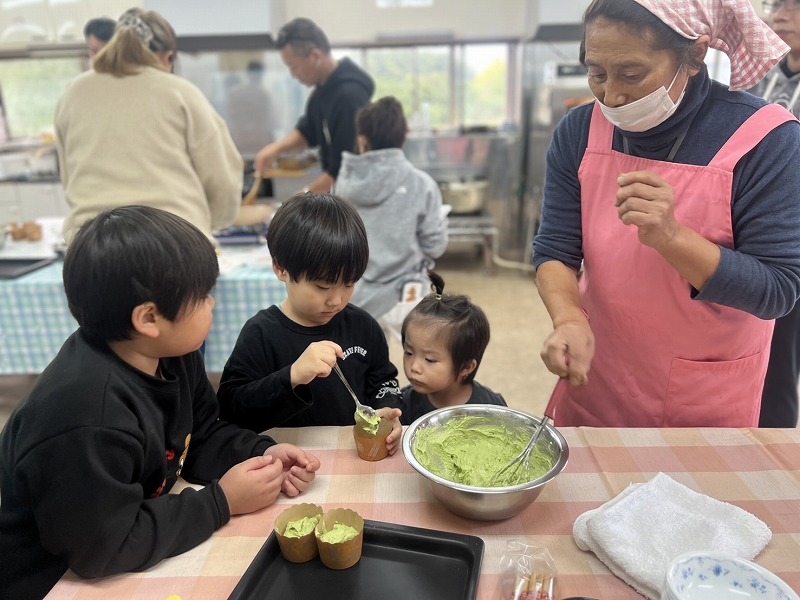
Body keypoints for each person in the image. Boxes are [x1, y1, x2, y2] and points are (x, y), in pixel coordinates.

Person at [0, 206, 320, 600]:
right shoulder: (86, 415)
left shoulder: (172, 352)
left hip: (120, 529)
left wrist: (261, 455)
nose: (212, 306)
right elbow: (106, 546)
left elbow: (199, 433)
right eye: (203, 297)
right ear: (149, 318)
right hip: (52, 577)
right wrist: (220, 502)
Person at [532, 0, 800, 428]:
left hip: (704, 398)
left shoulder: (766, 139)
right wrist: (568, 319)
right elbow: (554, 250)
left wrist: (673, 238)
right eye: (597, 73)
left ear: (695, 55)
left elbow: (778, 290)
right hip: (599, 377)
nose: (612, 95)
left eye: (632, 74)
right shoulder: (580, 130)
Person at [216, 193, 403, 451]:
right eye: (322, 286)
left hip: (354, 454)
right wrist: (292, 376)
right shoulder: (261, 333)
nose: (336, 300)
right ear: (281, 269)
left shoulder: (363, 325)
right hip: (286, 459)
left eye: (349, 284)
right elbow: (231, 409)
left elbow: (384, 380)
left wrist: (390, 408)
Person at [56, 8, 243, 244]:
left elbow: (67, 174)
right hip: (173, 242)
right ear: (167, 58)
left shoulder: (74, 93)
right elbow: (223, 176)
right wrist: (213, 222)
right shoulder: (180, 92)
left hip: (91, 244)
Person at [334, 96, 448, 340]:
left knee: (363, 368)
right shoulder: (422, 184)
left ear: (362, 140)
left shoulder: (343, 184)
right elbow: (435, 247)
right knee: (420, 368)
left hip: (355, 297)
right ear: (403, 136)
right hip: (408, 299)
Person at [746, 0, 800, 428]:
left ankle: (776, 457)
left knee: (781, 361)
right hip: (754, 235)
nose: (781, 15)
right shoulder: (764, 77)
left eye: (795, 6)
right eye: (777, 4)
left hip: (789, 243)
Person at [253, 17, 374, 193]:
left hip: (353, 199)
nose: (293, 75)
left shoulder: (348, 97)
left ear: (315, 56)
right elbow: (308, 132)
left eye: (293, 66)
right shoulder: (321, 92)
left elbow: (344, 170)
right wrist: (275, 149)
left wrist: (302, 200)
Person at [398, 271, 506, 426]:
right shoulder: (403, 405)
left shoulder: (491, 411)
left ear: (467, 367)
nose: (414, 367)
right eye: (409, 352)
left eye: (430, 359)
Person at [226, 60, 280, 158]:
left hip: (241, 141)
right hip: (256, 141)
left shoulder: (235, 92)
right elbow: (273, 122)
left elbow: (230, 116)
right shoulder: (264, 94)